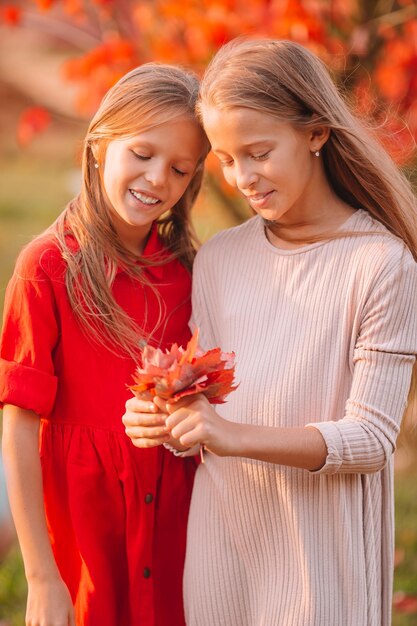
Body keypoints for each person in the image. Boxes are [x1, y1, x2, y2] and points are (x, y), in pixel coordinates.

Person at [123, 39, 417, 626]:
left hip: (319, 563)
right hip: (218, 551)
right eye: (226, 160)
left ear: (315, 132)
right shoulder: (220, 259)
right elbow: (210, 411)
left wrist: (231, 435)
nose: (242, 179)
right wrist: (168, 422)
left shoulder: (381, 264)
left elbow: (370, 439)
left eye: (258, 152)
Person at [0, 62, 208, 626]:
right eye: (142, 153)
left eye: (179, 167)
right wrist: (42, 579)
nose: (157, 178)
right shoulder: (45, 268)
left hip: (175, 526)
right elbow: (19, 424)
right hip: (85, 533)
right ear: (99, 145)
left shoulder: (190, 276)